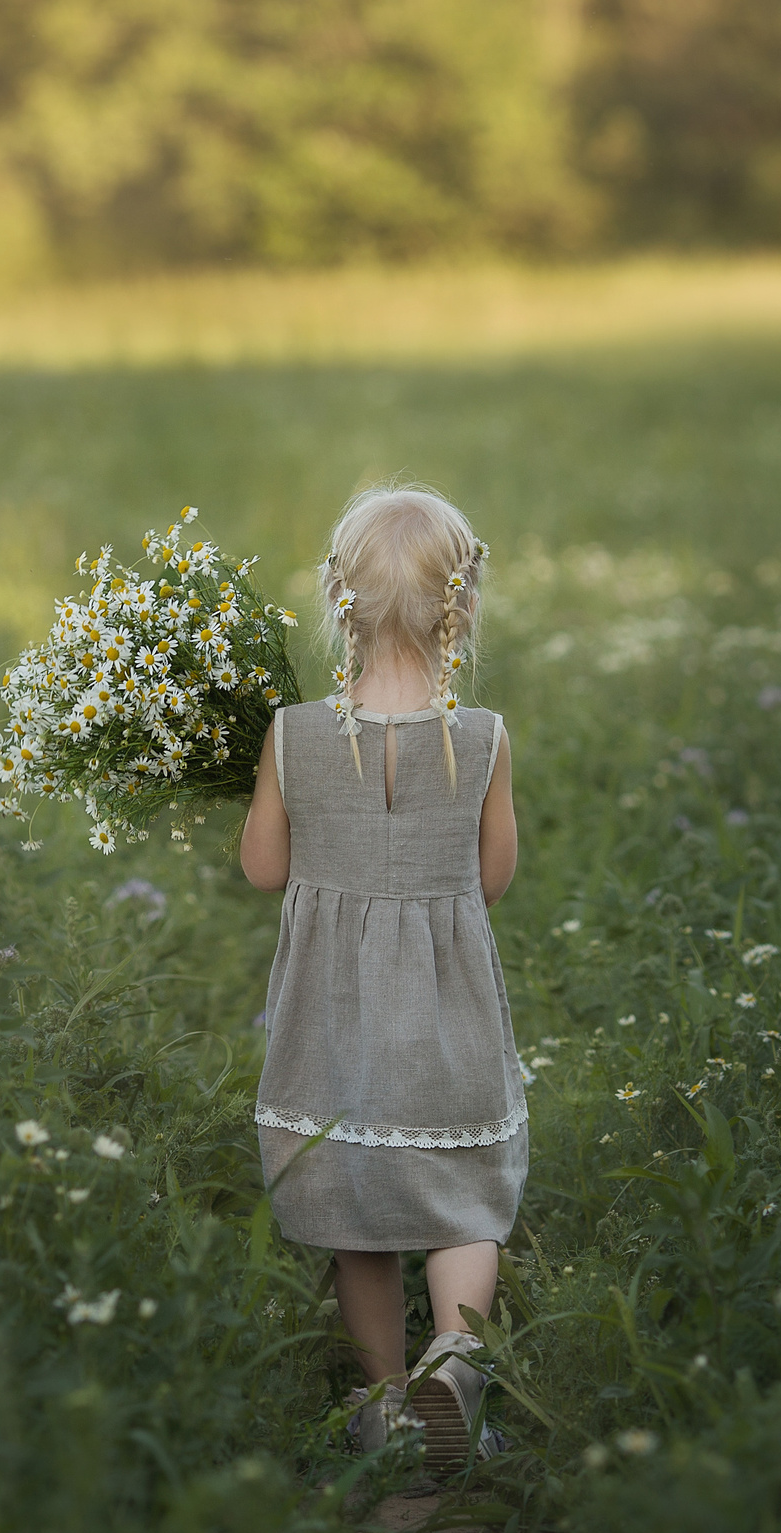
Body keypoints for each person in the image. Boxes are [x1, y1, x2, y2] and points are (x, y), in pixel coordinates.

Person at [239, 482, 522, 1475]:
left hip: (333, 1022)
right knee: (464, 1203)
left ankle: (384, 1407)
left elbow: (263, 870)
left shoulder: (291, 736)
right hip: (449, 1021)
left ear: (336, 603)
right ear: (462, 605)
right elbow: (491, 879)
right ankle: (457, 1358)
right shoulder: (480, 736)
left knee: (356, 1211)